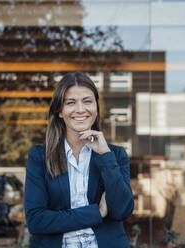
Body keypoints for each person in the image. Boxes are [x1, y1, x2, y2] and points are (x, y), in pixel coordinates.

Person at [24, 72, 134, 248]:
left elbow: (122, 211)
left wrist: (105, 155)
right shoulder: (39, 156)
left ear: (96, 107)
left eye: (87, 101)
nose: (81, 109)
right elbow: (36, 220)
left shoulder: (115, 155)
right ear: (60, 111)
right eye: (71, 103)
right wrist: (97, 212)